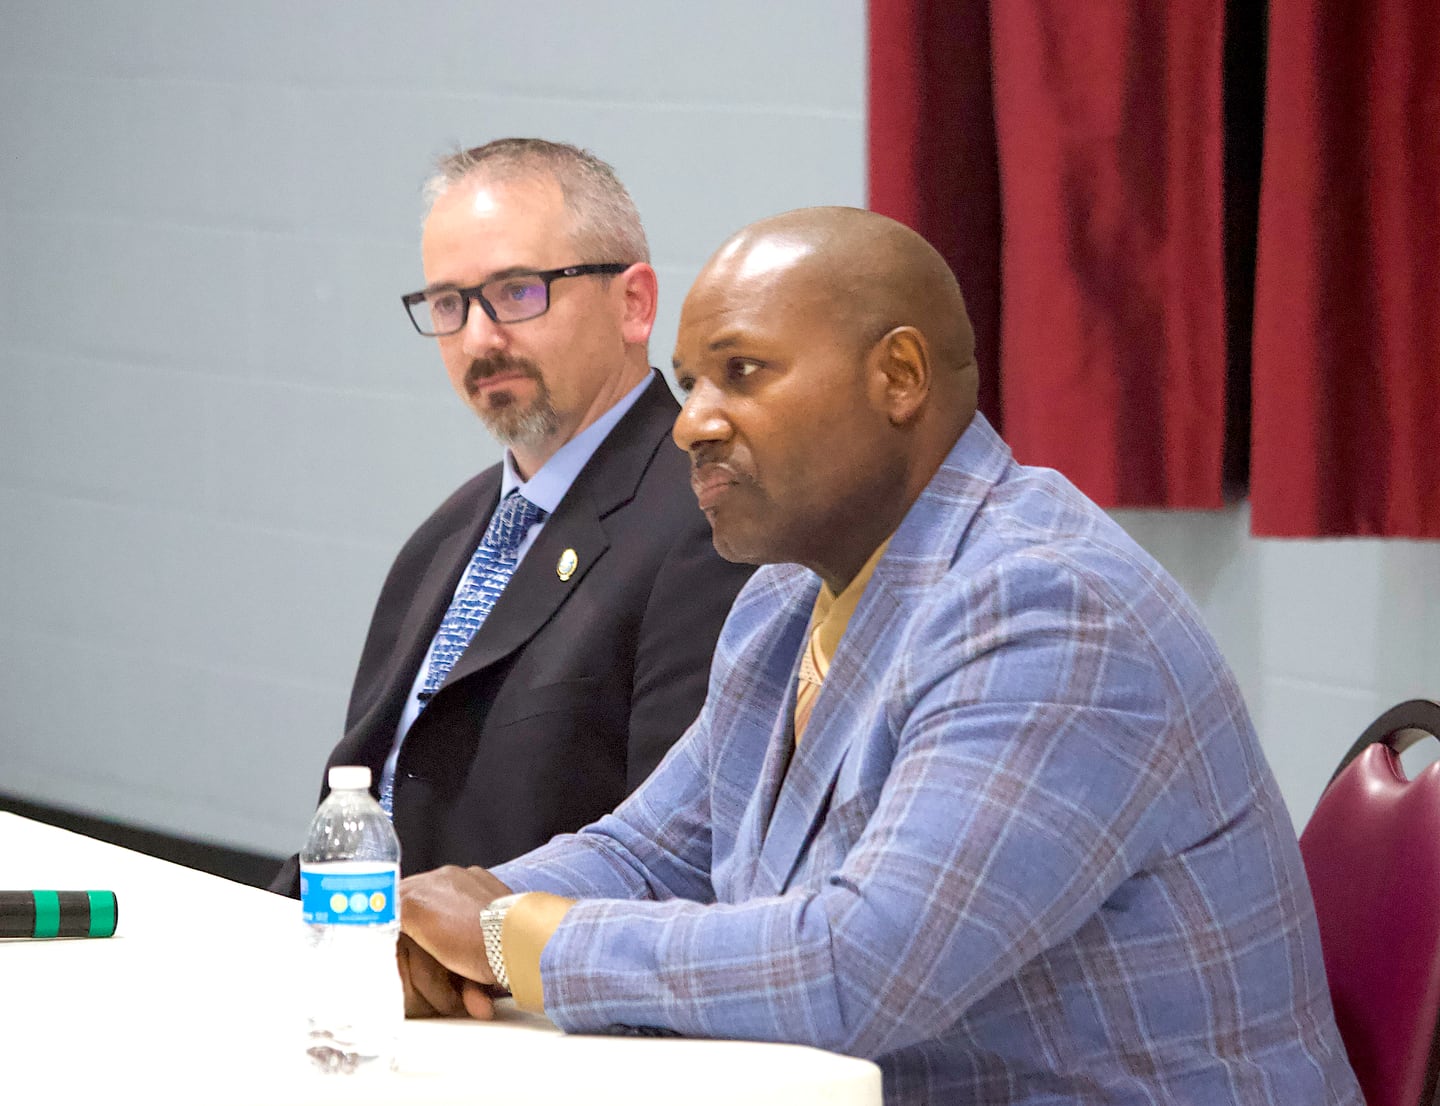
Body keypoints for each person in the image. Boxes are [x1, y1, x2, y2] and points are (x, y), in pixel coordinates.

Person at [394, 207, 1362, 1104]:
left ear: (898, 377)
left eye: (742, 372)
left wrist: (516, 936)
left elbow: (862, 965)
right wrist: (469, 914)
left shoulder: (1047, 606)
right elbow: (651, 848)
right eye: (691, 383)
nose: (691, 420)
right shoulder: (786, 596)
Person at [270, 139, 752, 894]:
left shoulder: (709, 523)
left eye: (519, 292)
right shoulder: (446, 534)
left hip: (525, 991)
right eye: (449, 304)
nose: (479, 338)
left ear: (635, 304)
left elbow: (677, 859)